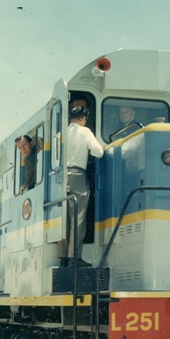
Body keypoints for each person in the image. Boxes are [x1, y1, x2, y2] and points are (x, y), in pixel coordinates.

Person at [64, 106, 104, 266]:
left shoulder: (61, 133)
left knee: (64, 218)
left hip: (61, 177)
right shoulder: (85, 131)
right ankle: (74, 258)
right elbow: (98, 152)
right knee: (78, 217)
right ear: (83, 119)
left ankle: (64, 255)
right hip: (77, 175)